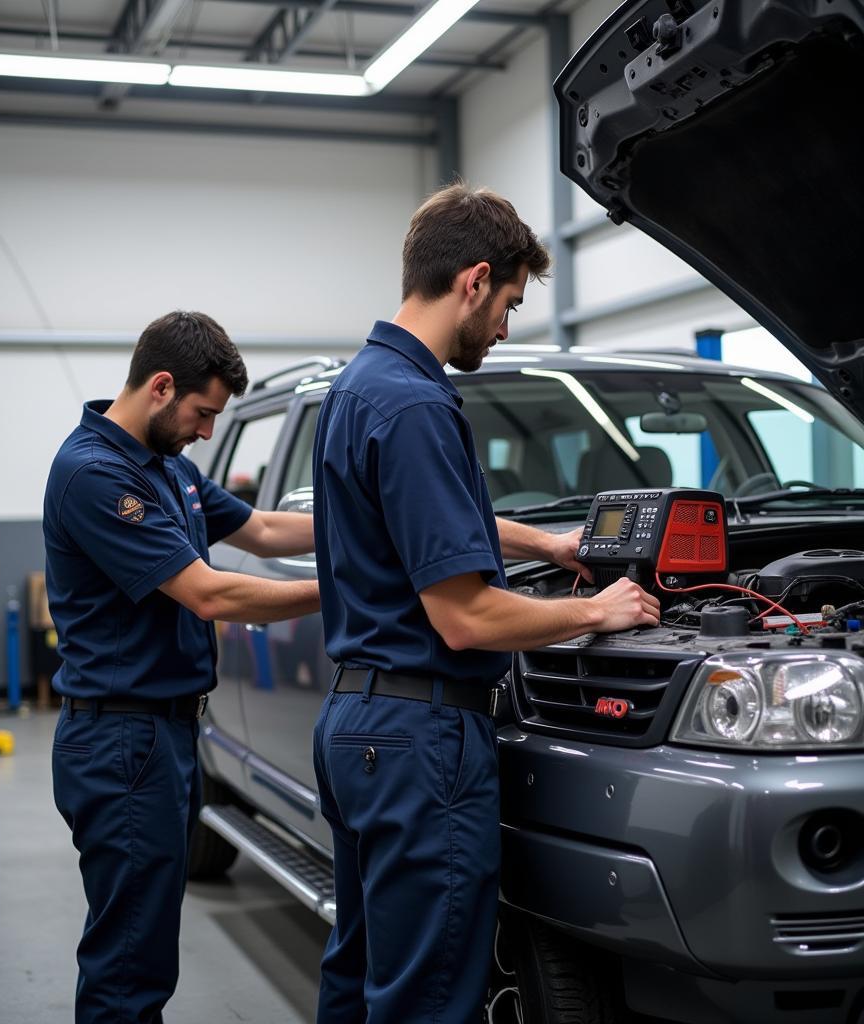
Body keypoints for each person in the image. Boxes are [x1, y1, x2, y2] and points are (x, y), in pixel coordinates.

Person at [311, 183, 660, 1022]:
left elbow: (431, 523)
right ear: (473, 281)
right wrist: (597, 612)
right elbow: (465, 617)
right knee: (430, 1000)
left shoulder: (360, 387)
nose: (505, 326)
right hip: (422, 741)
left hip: (359, 730)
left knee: (362, 982)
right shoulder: (419, 404)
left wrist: (546, 545)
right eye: (506, 303)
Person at [43, 310, 319, 1024]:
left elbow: (259, 529)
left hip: (164, 737)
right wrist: (349, 586)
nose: (207, 432)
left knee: (145, 949)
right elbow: (209, 591)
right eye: (203, 414)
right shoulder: (93, 473)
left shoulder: (171, 468)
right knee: (130, 964)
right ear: (161, 386)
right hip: (120, 746)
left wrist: (373, 523)